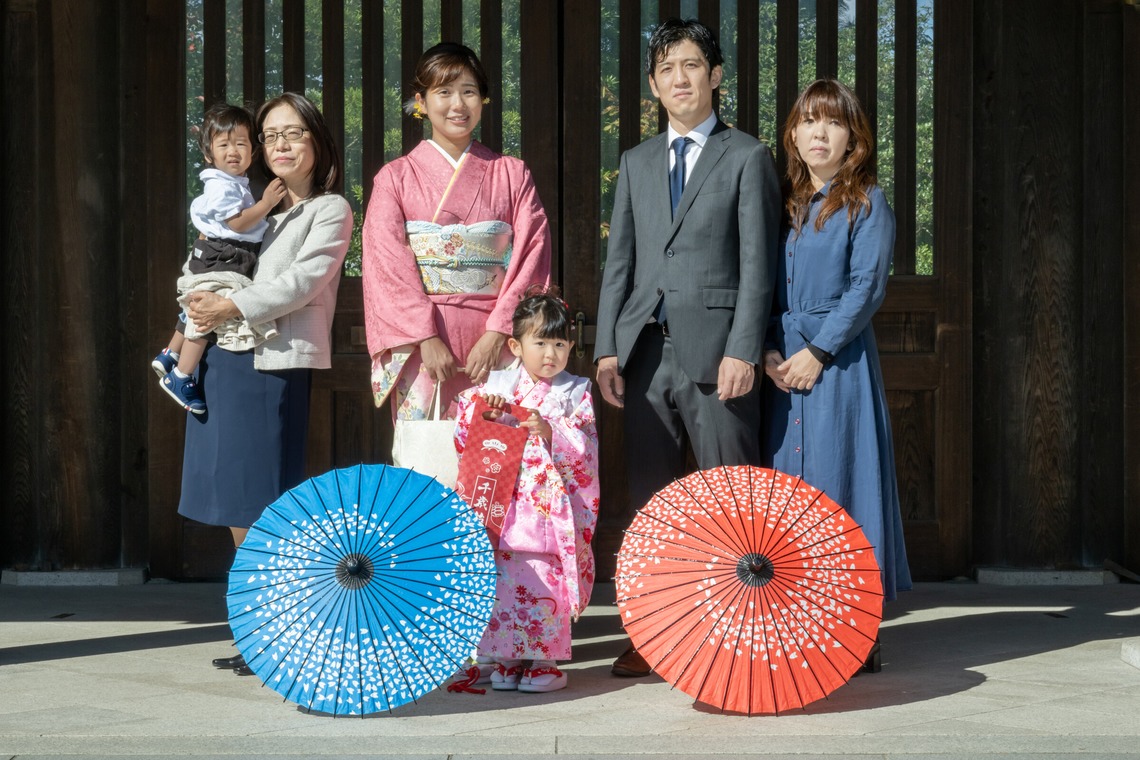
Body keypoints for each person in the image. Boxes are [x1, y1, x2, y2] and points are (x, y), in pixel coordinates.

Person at [593, 17, 781, 677]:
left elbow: (759, 264)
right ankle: (651, 633)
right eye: (668, 67)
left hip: (717, 354)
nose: (680, 77)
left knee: (731, 496)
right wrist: (605, 349)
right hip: (645, 352)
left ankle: (742, 632)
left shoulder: (748, 157)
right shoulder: (637, 161)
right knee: (651, 502)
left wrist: (743, 347)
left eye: (693, 65)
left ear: (716, 75)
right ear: (653, 84)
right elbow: (620, 262)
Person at [178, 92, 352, 677]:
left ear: (317, 141)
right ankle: (259, 626)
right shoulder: (256, 207)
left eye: (293, 133)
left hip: (274, 359)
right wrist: (195, 300)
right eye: (270, 134)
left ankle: (281, 629)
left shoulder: (329, 210)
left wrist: (230, 305)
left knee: (267, 495)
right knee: (234, 496)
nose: (279, 144)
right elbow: (209, 255)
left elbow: (304, 280)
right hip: (225, 357)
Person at [761, 79, 912, 671]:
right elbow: (766, 287)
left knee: (841, 477)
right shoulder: (786, 204)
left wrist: (817, 352)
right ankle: (797, 615)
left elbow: (866, 288)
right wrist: (772, 350)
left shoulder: (866, 201)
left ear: (853, 137)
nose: (818, 133)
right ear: (792, 135)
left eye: (832, 123)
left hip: (838, 363)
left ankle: (856, 624)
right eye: (807, 122)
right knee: (788, 489)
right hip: (781, 365)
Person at [362, 42, 551, 432]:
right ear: (421, 101)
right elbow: (386, 265)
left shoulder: (512, 173)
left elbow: (533, 251)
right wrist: (424, 337)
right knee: (427, 464)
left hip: (498, 345)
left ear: (482, 98)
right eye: (443, 92)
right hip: (423, 347)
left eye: (468, 91)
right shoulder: (394, 178)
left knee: (496, 464)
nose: (457, 105)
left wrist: (499, 332)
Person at [452, 285, 599, 694]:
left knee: (542, 581)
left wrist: (552, 430)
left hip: (548, 512)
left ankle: (543, 661)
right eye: (540, 343)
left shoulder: (575, 393)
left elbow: (586, 447)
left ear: (570, 346)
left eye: (559, 343)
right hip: (504, 506)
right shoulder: (497, 384)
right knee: (503, 579)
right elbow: (467, 441)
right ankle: (507, 658)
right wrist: (488, 413)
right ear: (515, 345)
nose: (550, 354)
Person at [152, 102, 288, 414]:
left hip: (219, 255)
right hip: (222, 257)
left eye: (241, 143)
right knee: (206, 318)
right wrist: (266, 203)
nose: (233, 151)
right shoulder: (221, 186)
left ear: (252, 151)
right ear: (209, 154)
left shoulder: (232, 183)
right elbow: (236, 222)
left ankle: (170, 354)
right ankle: (181, 376)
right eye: (224, 145)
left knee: (195, 306)